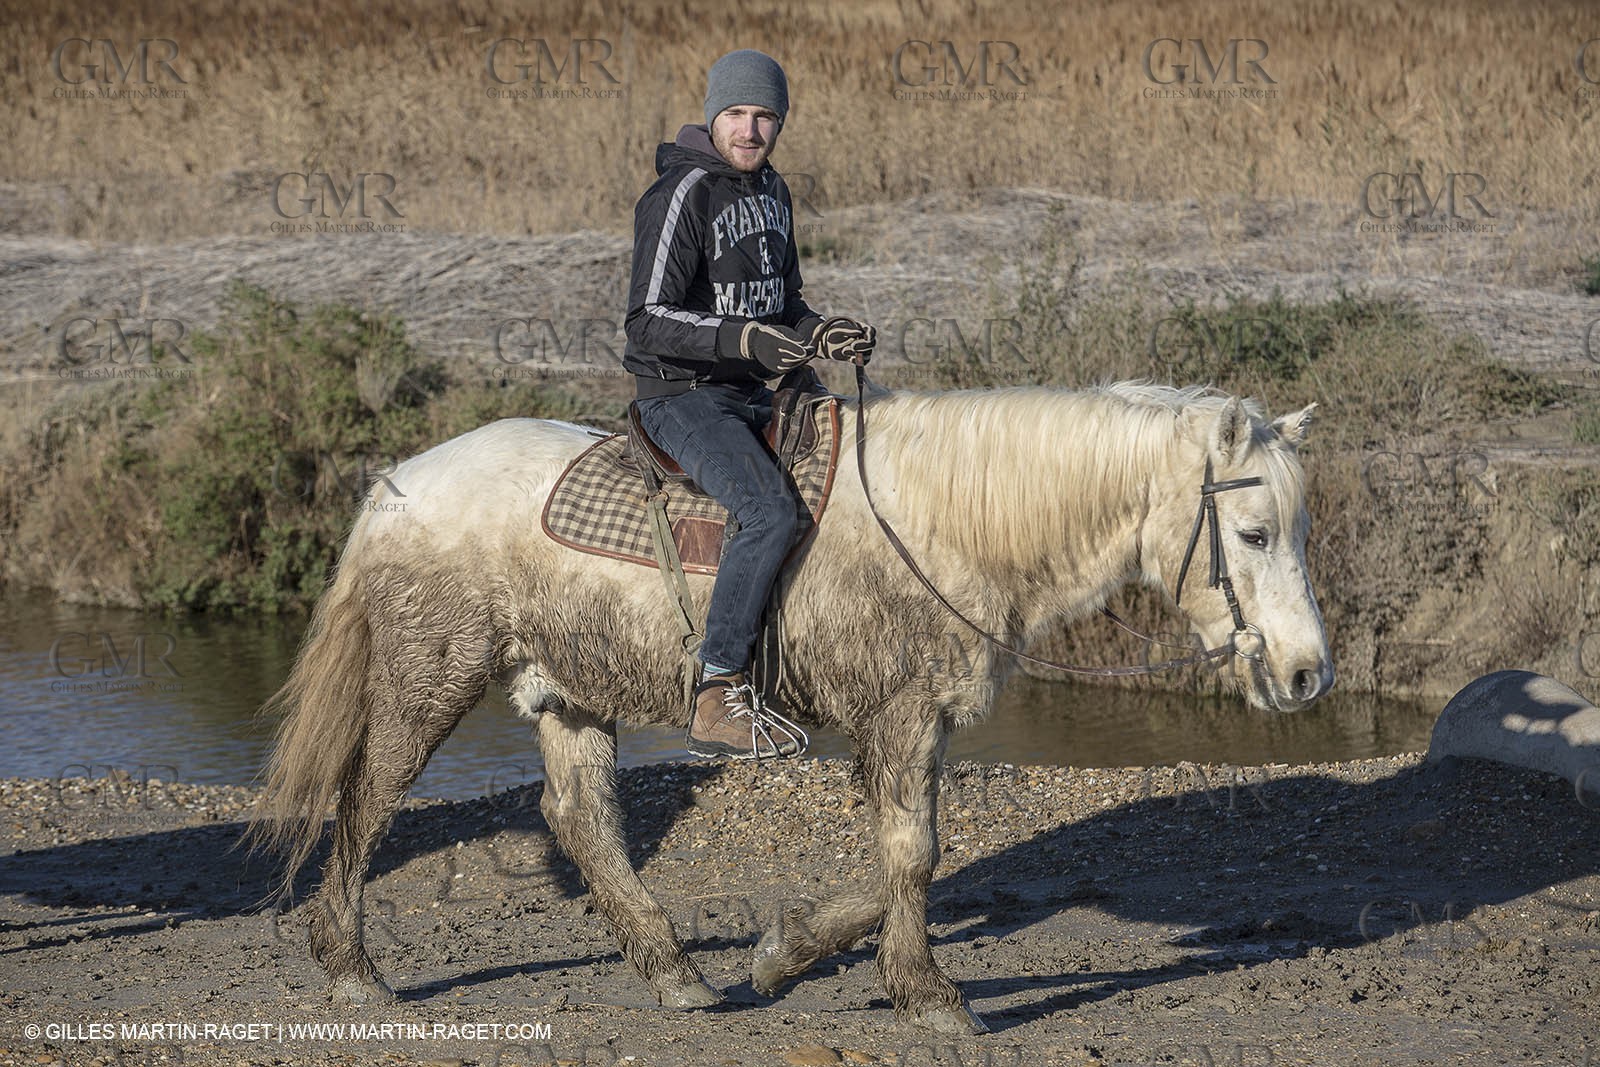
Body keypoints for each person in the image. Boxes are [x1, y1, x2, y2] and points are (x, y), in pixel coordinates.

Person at [622, 48, 876, 760]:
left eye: (765, 115)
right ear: (714, 116)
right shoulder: (682, 193)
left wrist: (819, 331)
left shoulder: (773, 192)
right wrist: (746, 340)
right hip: (681, 395)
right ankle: (717, 688)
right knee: (767, 508)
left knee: (849, 466)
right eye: (737, 113)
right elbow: (646, 318)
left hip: (748, 389)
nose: (750, 128)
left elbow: (783, 304)